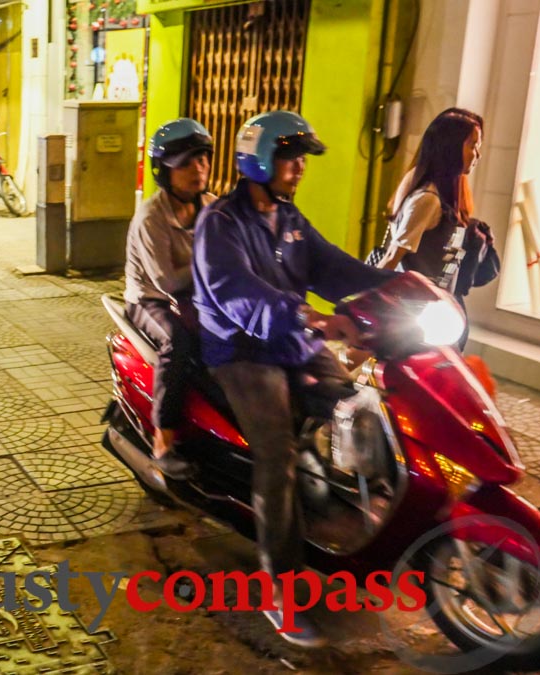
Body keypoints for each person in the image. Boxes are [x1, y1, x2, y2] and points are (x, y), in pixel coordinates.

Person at [192, 111, 396, 647]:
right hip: (242, 350)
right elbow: (237, 292)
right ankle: (279, 586)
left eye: (302, 157)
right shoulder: (221, 223)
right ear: (258, 160)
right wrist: (312, 317)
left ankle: (356, 513)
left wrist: (397, 284)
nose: (300, 167)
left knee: (363, 405)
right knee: (277, 454)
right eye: (290, 156)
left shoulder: (289, 218)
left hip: (291, 340)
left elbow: (334, 268)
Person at [123, 118, 216, 479]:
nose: (199, 169)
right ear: (164, 170)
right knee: (177, 342)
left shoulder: (211, 206)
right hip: (150, 300)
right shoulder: (151, 216)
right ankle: (163, 441)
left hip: (197, 297)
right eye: (188, 162)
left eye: (203, 159)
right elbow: (166, 280)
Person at [376, 108, 495, 347]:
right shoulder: (428, 200)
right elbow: (391, 257)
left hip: (437, 314)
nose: (477, 154)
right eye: (472, 145)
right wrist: (364, 301)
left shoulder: (445, 197)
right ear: (450, 148)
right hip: (415, 319)